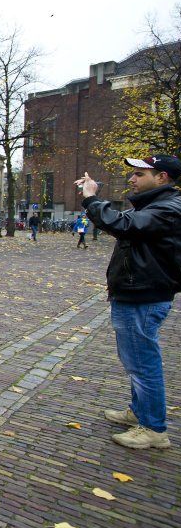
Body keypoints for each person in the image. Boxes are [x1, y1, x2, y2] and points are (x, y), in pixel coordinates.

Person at [78, 156, 181, 449]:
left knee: (142, 362)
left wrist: (91, 199)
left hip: (144, 295)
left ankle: (153, 429)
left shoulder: (169, 209)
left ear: (162, 177)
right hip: (138, 292)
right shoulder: (156, 206)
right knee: (136, 359)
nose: (132, 179)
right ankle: (140, 413)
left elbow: (124, 225)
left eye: (138, 174)